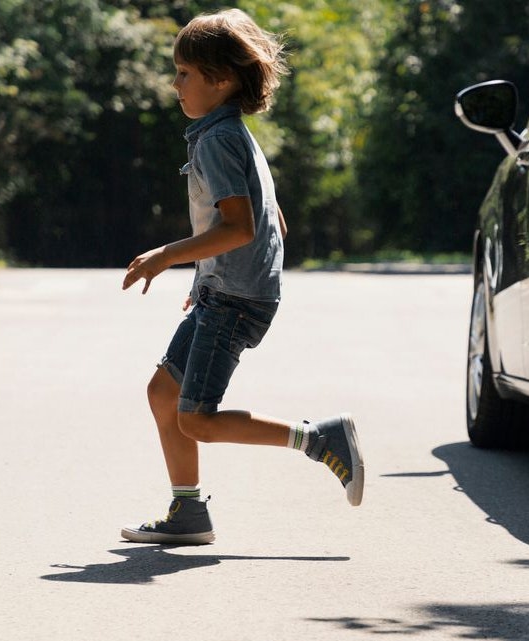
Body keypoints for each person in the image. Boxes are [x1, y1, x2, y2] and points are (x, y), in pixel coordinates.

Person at [119, 8, 364, 545]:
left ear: (220, 79)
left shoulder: (218, 141)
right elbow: (270, 217)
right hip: (223, 292)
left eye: (184, 72)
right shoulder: (227, 134)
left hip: (233, 300)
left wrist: (166, 255)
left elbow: (240, 225)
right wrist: (204, 276)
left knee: (197, 418)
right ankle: (188, 512)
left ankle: (320, 438)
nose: (175, 83)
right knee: (164, 393)